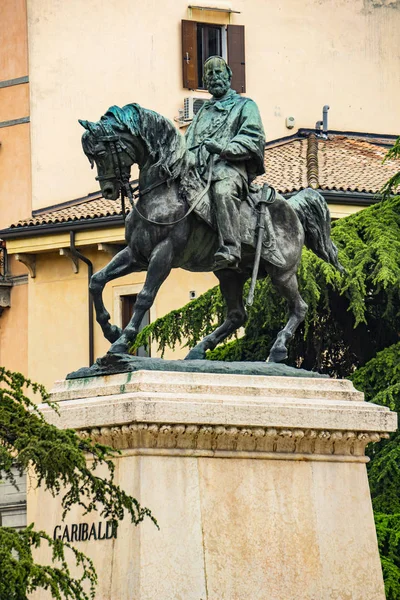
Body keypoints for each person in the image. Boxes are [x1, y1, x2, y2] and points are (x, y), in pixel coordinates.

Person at [186, 55, 266, 269]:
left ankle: (230, 247)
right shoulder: (202, 110)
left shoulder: (245, 105)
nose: (214, 77)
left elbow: (253, 137)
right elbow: (189, 142)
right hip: (200, 170)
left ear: (229, 75)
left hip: (230, 168)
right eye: (209, 74)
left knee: (222, 190)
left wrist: (223, 149)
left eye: (218, 72)